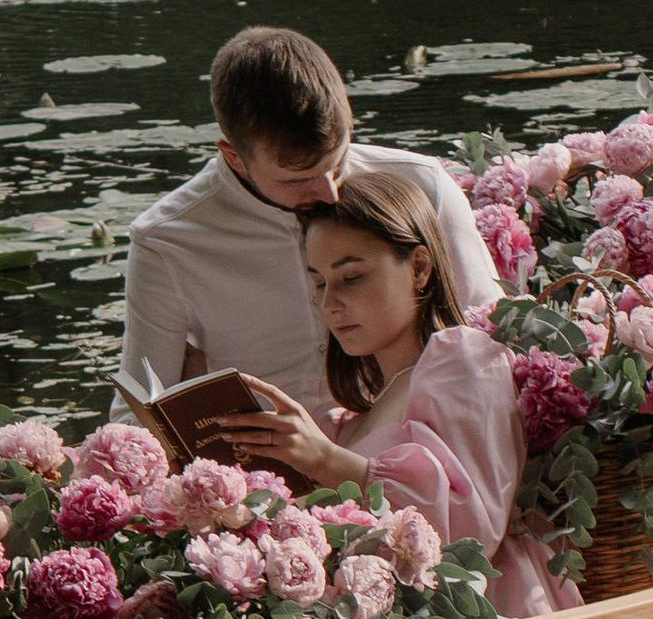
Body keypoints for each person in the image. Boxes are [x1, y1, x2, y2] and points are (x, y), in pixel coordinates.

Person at [217, 166, 577, 619]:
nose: (330, 304)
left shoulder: (463, 358)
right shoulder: (354, 413)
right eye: (319, 283)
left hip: (488, 618)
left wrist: (324, 460)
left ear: (419, 267)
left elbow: (472, 532)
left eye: (351, 278)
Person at [116, 24, 497, 410]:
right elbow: (140, 412)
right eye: (298, 179)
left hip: (422, 440)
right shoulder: (167, 241)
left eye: (337, 164)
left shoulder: (424, 186)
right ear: (235, 157)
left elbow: (493, 335)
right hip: (259, 465)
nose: (329, 192)